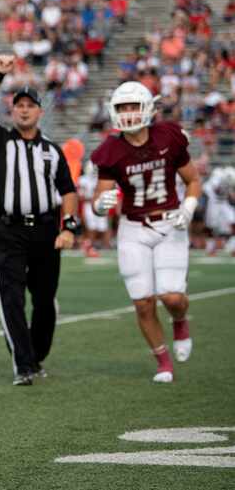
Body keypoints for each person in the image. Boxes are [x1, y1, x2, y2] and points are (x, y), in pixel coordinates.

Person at [0, 54, 80, 386]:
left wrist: (70, 226)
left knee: (45, 301)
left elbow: (68, 190)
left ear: (39, 111)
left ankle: (35, 354)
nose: (23, 109)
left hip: (47, 230)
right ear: (12, 110)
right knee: (12, 299)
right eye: (18, 105)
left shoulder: (52, 150)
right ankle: (24, 364)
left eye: (29, 105)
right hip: (10, 230)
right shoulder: (1, 141)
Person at [90, 81, 202, 383]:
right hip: (132, 227)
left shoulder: (168, 136)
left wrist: (188, 210)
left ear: (147, 108)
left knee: (172, 296)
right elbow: (97, 205)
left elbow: (193, 180)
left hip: (170, 222)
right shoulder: (110, 150)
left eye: (132, 106)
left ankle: (180, 322)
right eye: (122, 107)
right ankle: (163, 361)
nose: (127, 113)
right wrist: (102, 204)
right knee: (142, 301)